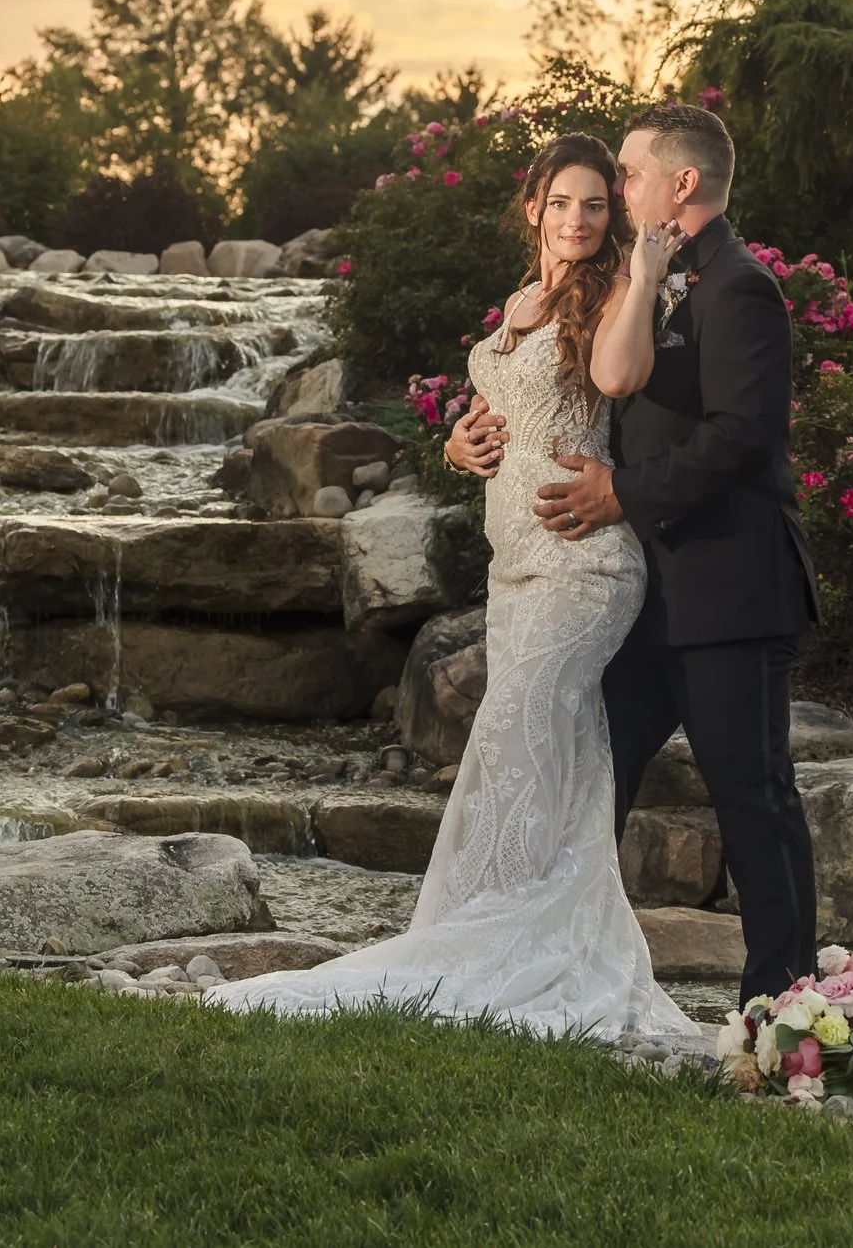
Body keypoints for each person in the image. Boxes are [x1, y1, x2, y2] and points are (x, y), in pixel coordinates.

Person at [208, 133, 695, 1038]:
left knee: (509, 742)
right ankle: (528, 936)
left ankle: (481, 947)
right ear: (533, 209)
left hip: (585, 567)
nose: (580, 220)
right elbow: (496, 412)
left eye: (597, 204)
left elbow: (619, 376)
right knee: (560, 760)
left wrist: (650, 258)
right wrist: (455, 444)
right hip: (513, 572)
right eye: (563, 203)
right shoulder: (518, 303)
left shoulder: (618, 289)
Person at [511, 102, 820, 1005]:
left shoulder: (739, 287)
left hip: (728, 590)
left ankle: (785, 1008)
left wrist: (620, 491)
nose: (618, 189)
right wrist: (479, 431)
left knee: (752, 801)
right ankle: (558, 973)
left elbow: (741, 436)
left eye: (633, 175)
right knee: (591, 778)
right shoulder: (648, 273)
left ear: (682, 185)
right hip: (638, 593)